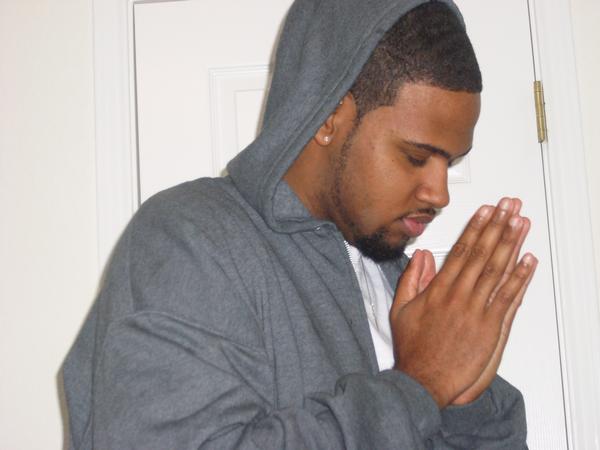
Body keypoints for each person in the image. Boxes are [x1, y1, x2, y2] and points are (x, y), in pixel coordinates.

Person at [63, 0, 537, 448]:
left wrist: (464, 398)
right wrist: (418, 387)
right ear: (329, 117)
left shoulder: (401, 285)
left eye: (450, 163)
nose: (440, 193)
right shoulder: (189, 238)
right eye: (416, 157)